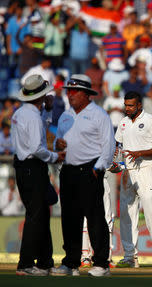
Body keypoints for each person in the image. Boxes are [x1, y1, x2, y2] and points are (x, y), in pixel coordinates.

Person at [51, 74, 115, 277]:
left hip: (90, 170)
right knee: (70, 219)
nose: (70, 95)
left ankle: (102, 264)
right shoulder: (65, 116)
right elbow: (58, 143)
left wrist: (98, 168)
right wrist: (56, 145)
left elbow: (109, 145)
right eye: (68, 91)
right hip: (68, 170)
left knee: (95, 218)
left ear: (87, 94)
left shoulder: (99, 115)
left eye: (75, 91)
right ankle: (71, 263)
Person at [12, 74, 65, 275]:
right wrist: (55, 157)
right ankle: (26, 263)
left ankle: (44, 261)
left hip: (25, 166)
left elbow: (38, 131)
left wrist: (48, 110)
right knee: (36, 214)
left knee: (41, 213)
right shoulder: (32, 115)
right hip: (32, 166)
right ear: (40, 96)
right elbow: (37, 147)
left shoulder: (22, 113)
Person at [114, 91, 152, 268]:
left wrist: (140, 153)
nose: (127, 108)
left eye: (131, 105)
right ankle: (130, 256)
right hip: (128, 172)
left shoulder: (151, 120)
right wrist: (116, 164)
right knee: (127, 214)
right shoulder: (122, 123)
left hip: (146, 168)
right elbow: (118, 148)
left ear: (139, 105)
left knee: (151, 210)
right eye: (126, 105)